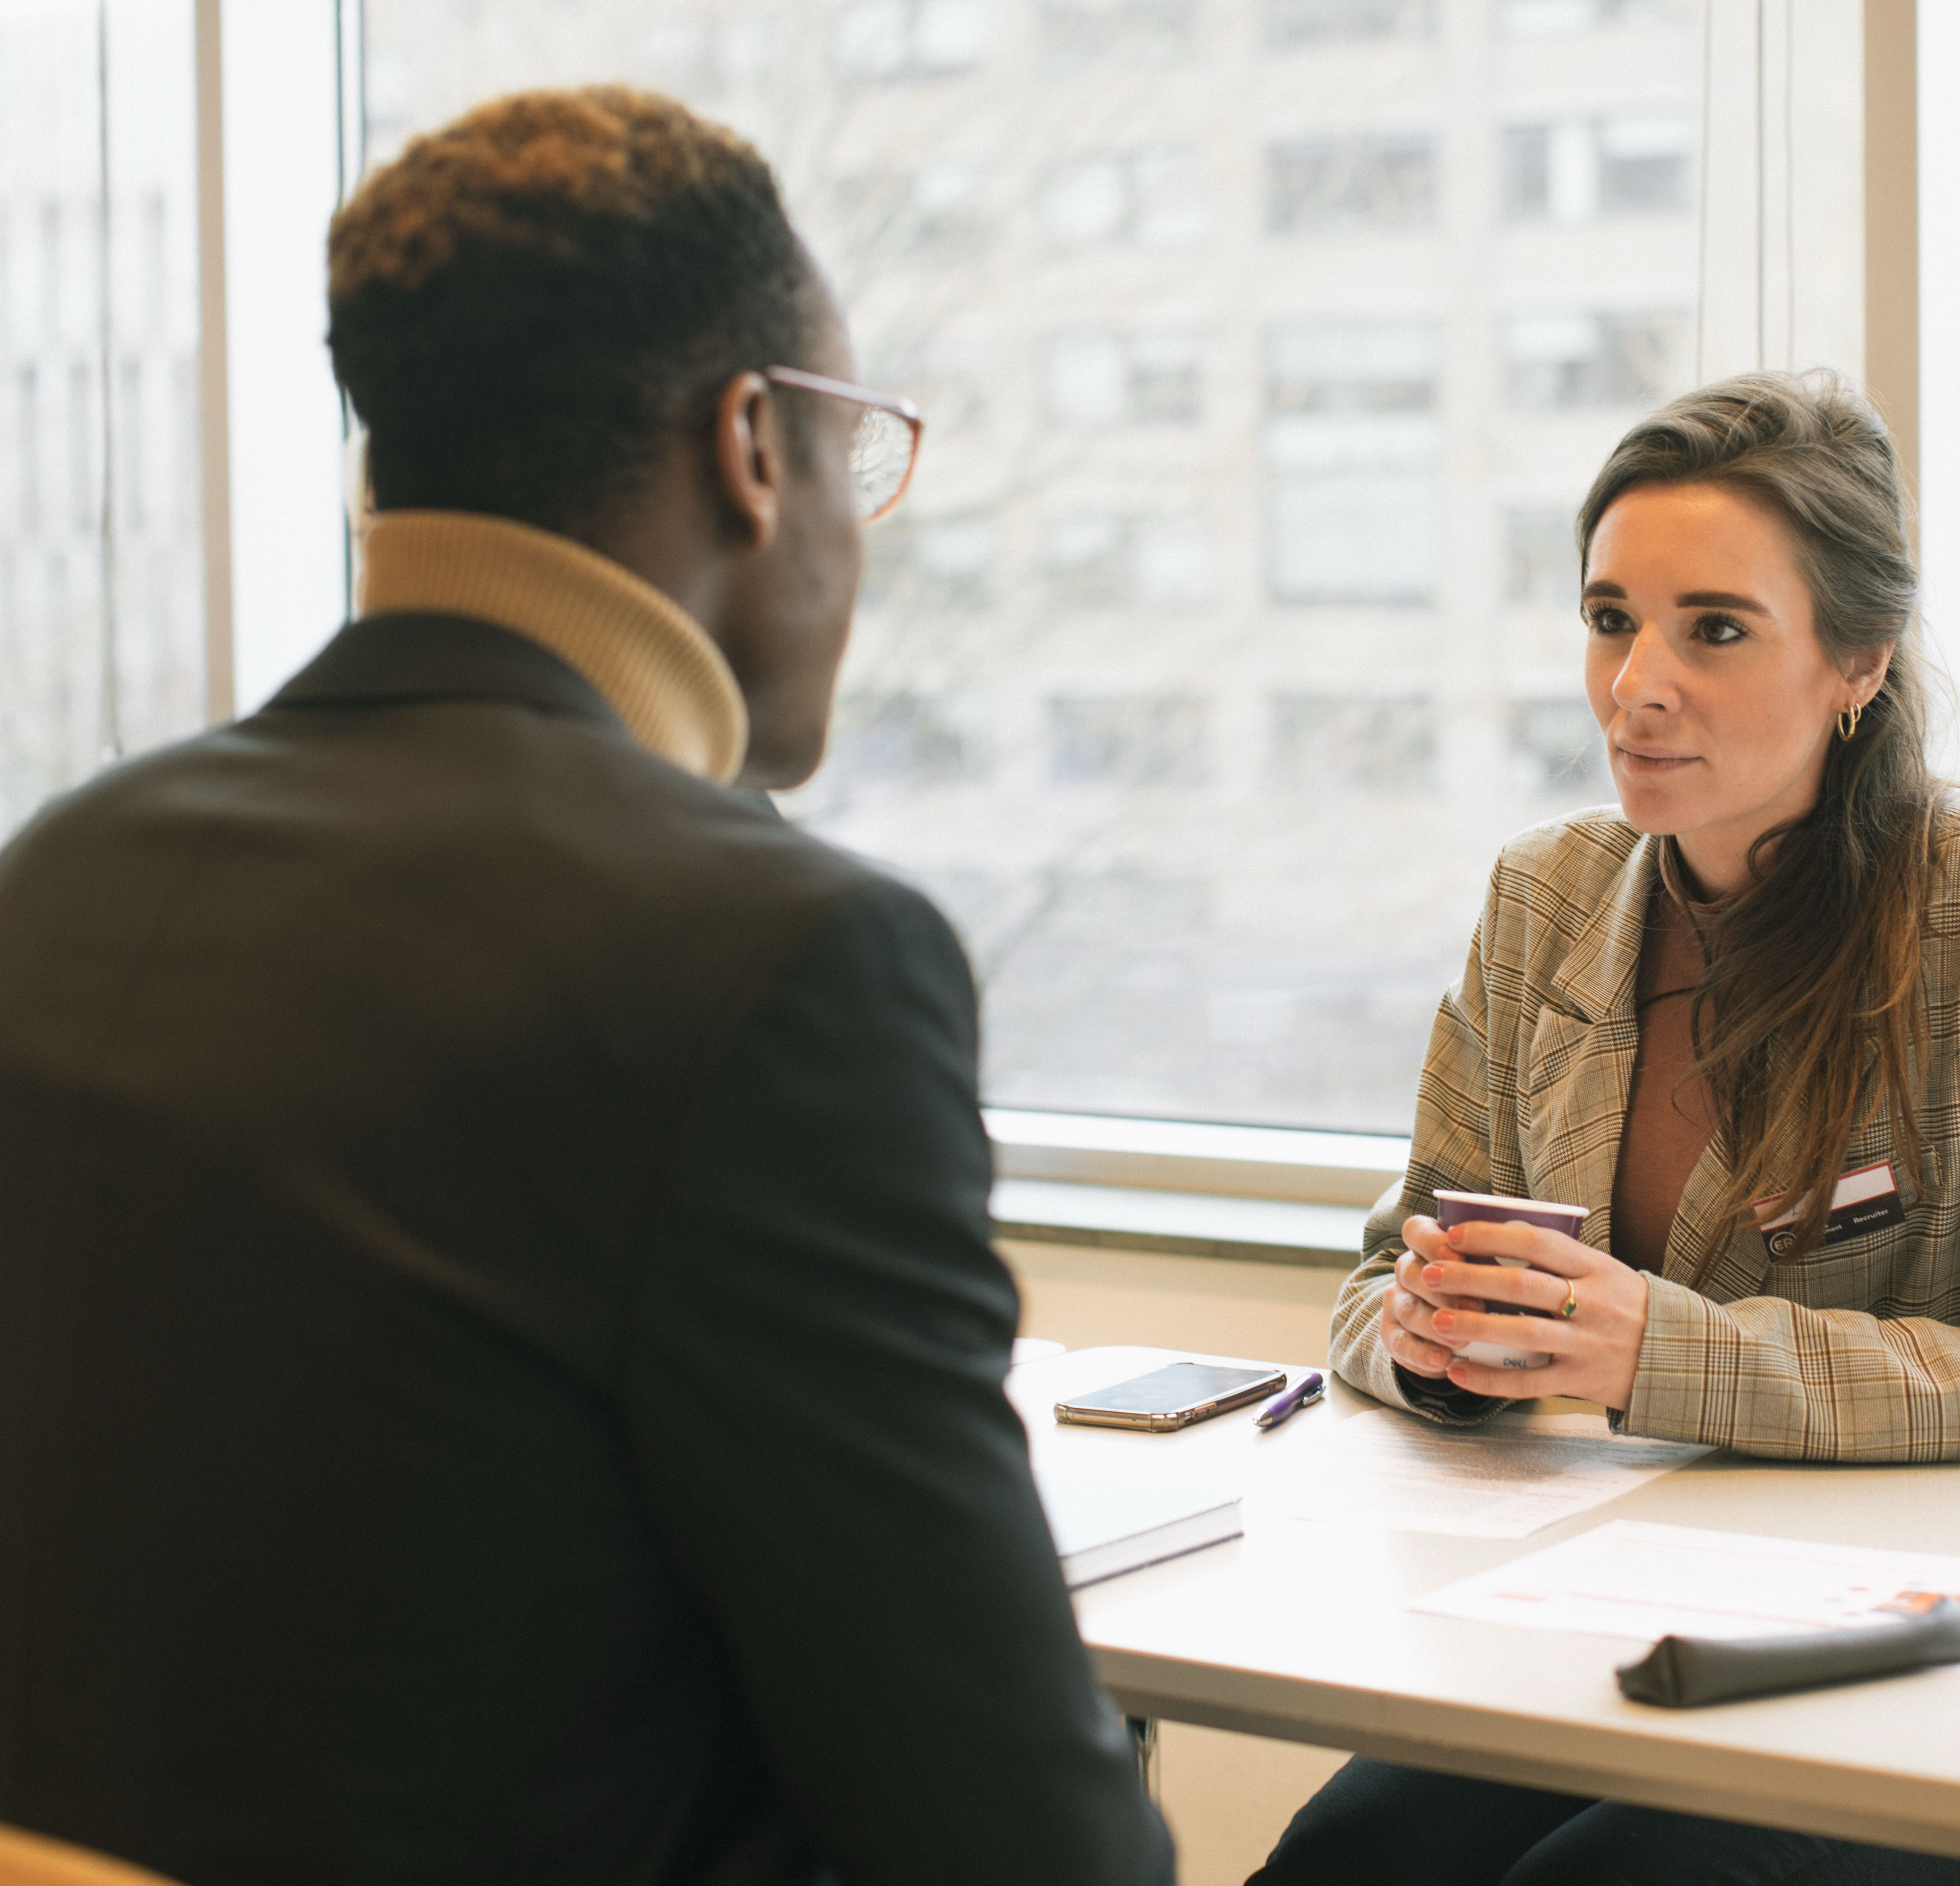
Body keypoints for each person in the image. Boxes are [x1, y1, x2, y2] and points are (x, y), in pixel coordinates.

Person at [0, 88, 1170, 1886]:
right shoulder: (770, 957)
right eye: (858, 452)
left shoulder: (63, 868)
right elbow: (1019, 1837)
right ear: (751, 451)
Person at [1258, 373, 1960, 1886]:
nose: (1638, 682)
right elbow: (1380, 1281)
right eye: (1609, 618)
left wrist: (1665, 1351)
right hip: (1610, 1606)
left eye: (1715, 628)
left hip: (1919, 1656)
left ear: (1859, 662)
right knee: (1346, 1865)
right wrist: (1438, 1343)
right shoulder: (1547, 899)